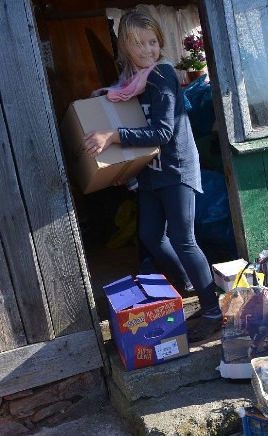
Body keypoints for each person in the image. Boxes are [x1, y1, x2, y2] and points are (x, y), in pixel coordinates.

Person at [83, 10, 221, 341]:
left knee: (183, 239)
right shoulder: (131, 84)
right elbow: (133, 122)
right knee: (149, 234)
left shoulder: (161, 77)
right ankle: (188, 284)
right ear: (125, 48)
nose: (147, 50)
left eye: (153, 42)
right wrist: (122, 166)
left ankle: (213, 311)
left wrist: (113, 137)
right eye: (138, 43)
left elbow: (161, 132)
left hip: (175, 168)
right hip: (150, 173)